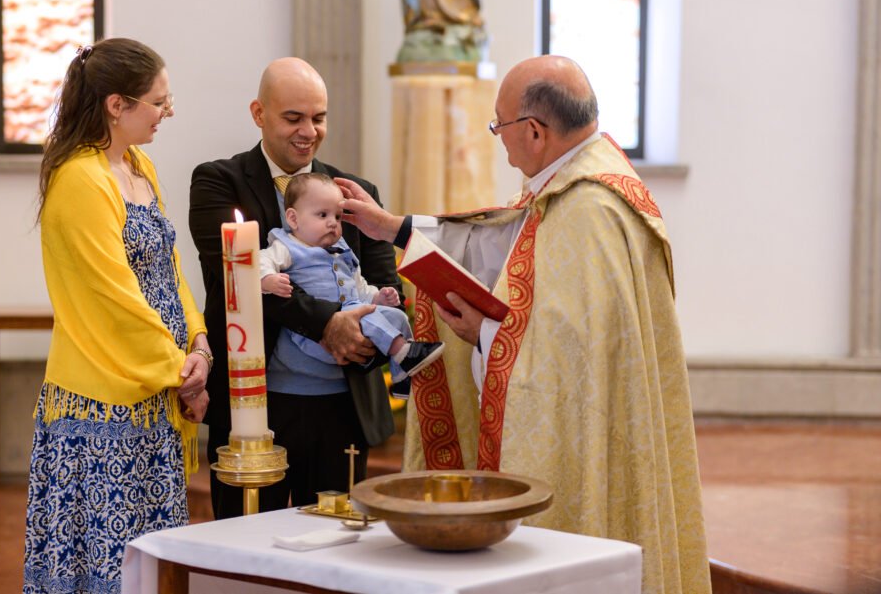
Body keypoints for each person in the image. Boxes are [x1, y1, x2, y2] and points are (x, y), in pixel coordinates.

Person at [337, 55, 712, 594]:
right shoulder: (577, 187)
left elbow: (567, 358)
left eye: (500, 126)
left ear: (534, 131)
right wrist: (390, 227)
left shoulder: (591, 211)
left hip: (585, 442)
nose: (499, 140)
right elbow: (499, 246)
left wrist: (483, 335)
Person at [24, 38, 212, 594]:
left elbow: (170, 270)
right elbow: (114, 297)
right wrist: (179, 368)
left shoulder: (137, 164)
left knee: (151, 570)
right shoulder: (80, 180)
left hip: (155, 395)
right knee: (105, 572)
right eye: (158, 101)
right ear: (116, 105)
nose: (168, 111)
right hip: (102, 410)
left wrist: (198, 343)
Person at [189, 57, 399, 518]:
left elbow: (385, 284)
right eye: (293, 118)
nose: (309, 130)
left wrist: (365, 333)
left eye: (318, 118)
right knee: (244, 549)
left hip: (341, 404)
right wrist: (330, 322)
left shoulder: (354, 192)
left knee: (332, 543)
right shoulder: (217, 182)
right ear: (258, 113)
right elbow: (237, 279)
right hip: (255, 402)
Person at [259, 172, 444, 400]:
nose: (332, 223)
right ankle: (404, 352)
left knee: (397, 317)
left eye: (337, 217)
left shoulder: (342, 250)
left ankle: (401, 378)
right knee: (364, 316)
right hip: (316, 336)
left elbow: (359, 287)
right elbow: (261, 260)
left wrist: (378, 298)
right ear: (294, 219)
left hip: (355, 320)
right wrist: (267, 279)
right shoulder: (287, 245)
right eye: (322, 215)